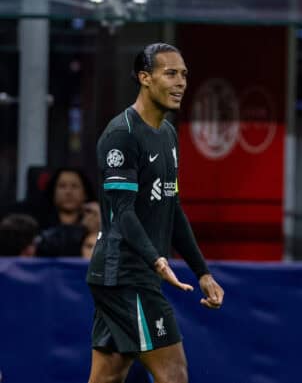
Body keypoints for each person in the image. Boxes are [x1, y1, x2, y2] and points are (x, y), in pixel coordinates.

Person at [86, 43, 224, 383]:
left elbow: (172, 207)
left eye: (184, 75)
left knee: (108, 376)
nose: (181, 83)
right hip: (126, 275)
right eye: (171, 73)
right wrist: (157, 260)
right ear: (145, 78)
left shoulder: (168, 134)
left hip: (131, 275)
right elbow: (123, 213)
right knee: (174, 374)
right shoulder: (122, 134)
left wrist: (202, 272)